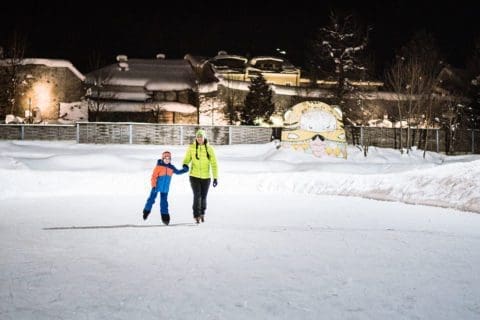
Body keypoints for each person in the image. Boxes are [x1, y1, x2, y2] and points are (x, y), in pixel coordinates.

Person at [182, 129, 218, 224]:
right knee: (197, 195)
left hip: (206, 177)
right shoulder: (191, 148)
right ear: (196, 138)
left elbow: (214, 164)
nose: (199, 138)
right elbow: (186, 159)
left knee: (203, 196)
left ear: (204, 137)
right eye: (198, 137)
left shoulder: (209, 149)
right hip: (194, 176)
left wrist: (215, 177)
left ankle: (202, 213)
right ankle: (196, 215)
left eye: (201, 137)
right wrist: (185, 164)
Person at [143, 151, 188, 225]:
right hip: (156, 187)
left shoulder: (171, 167)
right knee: (151, 199)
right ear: (163, 159)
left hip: (165, 189)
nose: (167, 160)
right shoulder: (158, 167)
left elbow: (178, 172)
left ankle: (165, 217)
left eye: (169, 158)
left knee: (164, 203)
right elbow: (153, 177)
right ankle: (146, 211)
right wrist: (153, 185)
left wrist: (184, 170)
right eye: (165, 158)